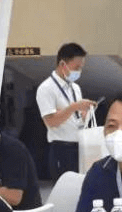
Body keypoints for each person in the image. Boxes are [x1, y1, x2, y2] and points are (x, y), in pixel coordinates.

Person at [36, 42, 95, 179]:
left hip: (79, 146)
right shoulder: (46, 88)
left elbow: (74, 118)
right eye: (76, 68)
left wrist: (84, 115)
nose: (79, 72)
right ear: (63, 64)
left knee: (81, 186)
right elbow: (51, 122)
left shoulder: (75, 87)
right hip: (61, 148)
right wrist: (74, 107)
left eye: (81, 68)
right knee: (65, 188)